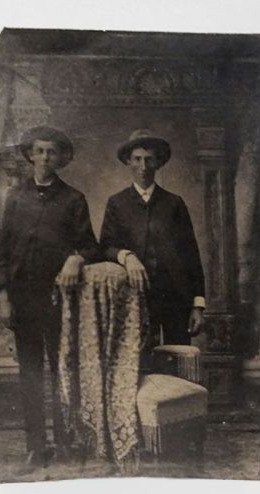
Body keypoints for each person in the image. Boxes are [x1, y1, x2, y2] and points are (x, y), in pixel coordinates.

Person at [0, 126, 98, 467]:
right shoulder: (15, 197)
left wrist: (75, 257)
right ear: (30, 155)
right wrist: (3, 296)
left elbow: (90, 245)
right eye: (39, 151)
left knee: (61, 370)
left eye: (51, 152)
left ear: (61, 158)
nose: (44, 158)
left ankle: (66, 442)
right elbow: (3, 252)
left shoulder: (73, 200)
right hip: (23, 297)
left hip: (59, 299)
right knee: (30, 372)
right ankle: (35, 447)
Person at [100, 130, 206, 368]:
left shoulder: (174, 203)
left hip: (175, 296)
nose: (143, 166)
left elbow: (191, 255)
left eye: (149, 159)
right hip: (135, 295)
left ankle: (176, 405)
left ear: (158, 163)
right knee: (139, 361)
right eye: (137, 159)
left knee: (178, 361)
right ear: (128, 162)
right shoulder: (117, 203)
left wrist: (198, 305)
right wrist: (126, 256)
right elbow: (104, 247)